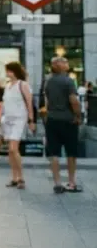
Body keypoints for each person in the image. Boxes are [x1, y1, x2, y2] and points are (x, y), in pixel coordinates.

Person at [44, 57, 82, 193]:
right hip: (68, 120)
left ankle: (57, 183)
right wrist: (78, 115)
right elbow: (74, 101)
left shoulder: (48, 81)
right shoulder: (68, 81)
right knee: (71, 152)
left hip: (52, 119)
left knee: (54, 152)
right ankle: (71, 182)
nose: (67, 64)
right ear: (58, 65)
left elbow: (47, 101)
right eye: (65, 62)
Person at [2, 62, 35, 190]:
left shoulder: (23, 85)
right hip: (8, 119)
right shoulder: (7, 86)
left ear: (13, 71)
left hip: (19, 119)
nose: (7, 73)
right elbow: (4, 104)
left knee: (14, 148)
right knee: (10, 150)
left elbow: (29, 103)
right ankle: (14, 177)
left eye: (8, 71)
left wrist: (31, 120)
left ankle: (21, 177)